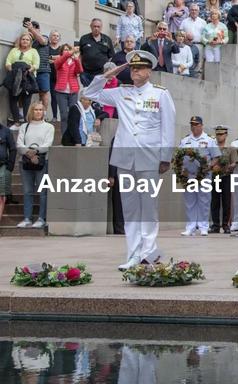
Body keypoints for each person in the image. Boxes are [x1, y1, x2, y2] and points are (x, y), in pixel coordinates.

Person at [83, 50, 176, 271]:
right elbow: (89, 92)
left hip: (149, 156)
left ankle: (148, 253)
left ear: (149, 71)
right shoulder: (121, 92)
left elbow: (168, 127)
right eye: (132, 68)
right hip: (125, 158)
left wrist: (165, 157)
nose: (135, 71)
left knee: (149, 206)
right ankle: (133, 254)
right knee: (130, 208)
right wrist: (113, 72)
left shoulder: (161, 94)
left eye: (139, 68)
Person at [179, 116, 221, 236]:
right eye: (192, 124)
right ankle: (190, 227)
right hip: (189, 176)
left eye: (196, 124)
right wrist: (181, 169)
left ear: (201, 125)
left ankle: (203, 226)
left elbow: (216, 156)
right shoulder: (185, 140)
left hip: (204, 175)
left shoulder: (209, 140)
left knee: (204, 201)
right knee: (190, 202)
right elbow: (179, 157)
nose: (194, 126)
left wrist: (209, 166)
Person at [16, 102, 55, 229]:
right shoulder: (24, 126)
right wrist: (29, 153)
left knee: (42, 191)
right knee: (27, 191)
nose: (38, 112)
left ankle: (41, 218)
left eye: (40, 110)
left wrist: (36, 152)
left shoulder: (49, 127)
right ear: (31, 111)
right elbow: (19, 144)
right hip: (26, 162)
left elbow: (48, 144)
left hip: (42, 161)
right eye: (36, 109)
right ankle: (27, 218)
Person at [5, 32, 40, 127]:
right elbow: (8, 63)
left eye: (27, 40)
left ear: (30, 42)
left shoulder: (33, 51)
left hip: (27, 77)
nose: (25, 41)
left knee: (26, 100)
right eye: (23, 39)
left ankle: (26, 121)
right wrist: (14, 71)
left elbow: (36, 65)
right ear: (20, 41)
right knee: (13, 99)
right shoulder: (14, 50)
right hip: (14, 77)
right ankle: (16, 121)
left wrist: (27, 71)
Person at [209, 125, 237, 234]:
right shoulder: (212, 148)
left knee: (226, 201)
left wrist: (229, 166)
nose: (219, 136)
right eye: (217, 134)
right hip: (215, 177)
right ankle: (215, 225)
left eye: (221, 134)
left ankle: (226, 225)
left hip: (226, 177)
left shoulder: (231, 149)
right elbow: (208, 161)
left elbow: (234, 162)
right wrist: (212, 166)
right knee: (214, 202)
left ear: (226, 135)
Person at [53, 43, 83, 136]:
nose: (67, 51)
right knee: (64, 115)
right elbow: (61, 61)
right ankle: (64, 136)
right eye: (65, 50)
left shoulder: (74, 61)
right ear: (62, 52)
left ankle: (73, 135)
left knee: (72, 114)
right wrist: (70, 52)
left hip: (73, 91)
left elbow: (80, 71)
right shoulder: (59, 60)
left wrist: (77, 59)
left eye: (68, 49)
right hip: (61, 92)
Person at [79, 18, 115, 86]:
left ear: (101, 27)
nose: (96, 28)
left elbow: (111, 57)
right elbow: (79, 56)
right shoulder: (84, 38)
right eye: (94, 26)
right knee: (87, 95)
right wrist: (81, 71)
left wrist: (108, 72)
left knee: (100, 94)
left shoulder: (107, 39)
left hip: (101, 74)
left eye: (98, 27)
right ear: (91, 26)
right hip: (86, 74)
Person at [26, 21, 51, 114]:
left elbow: (43, 42)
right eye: (32, 27)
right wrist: (27, 34)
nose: (34, 29)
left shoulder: (44, 37)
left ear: (39, 29)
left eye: (36, 27)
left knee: (44, 92)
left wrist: (32, 29)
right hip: (30, 70)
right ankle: (24, 114)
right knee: (26, 92)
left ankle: (43, 114)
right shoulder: (27, 39)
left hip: (42, 70)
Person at [180, 4, 207, 74]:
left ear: (198, 11)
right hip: (187, 45)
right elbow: (180, 33)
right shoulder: (184, 21)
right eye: (192, 10)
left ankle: (198, 81)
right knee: (186, 62)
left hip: (199, 45)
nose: (194, 12)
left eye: (196, 10)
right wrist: (185, 37)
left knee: (198, 65)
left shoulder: (203, 22)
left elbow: (206, 35)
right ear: (189, 11)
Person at [0, 123, 16, 224]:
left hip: (2, 166)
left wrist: (10, 166)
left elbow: (13, 149)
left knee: (1, 196)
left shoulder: (6, 131)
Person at [48, 30, 61, 122]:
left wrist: (51, 58)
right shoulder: (46, 48)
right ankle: (51, 116)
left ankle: (58, 116)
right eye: (53, 35)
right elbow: (44, 57)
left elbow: (64, 56)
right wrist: (58, 58)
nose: (55, 37)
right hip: (48, 74)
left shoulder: (61, 48)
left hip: (59, 75)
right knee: (48, 95)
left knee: (57, 96)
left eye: (57, 36)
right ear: (50, 37)